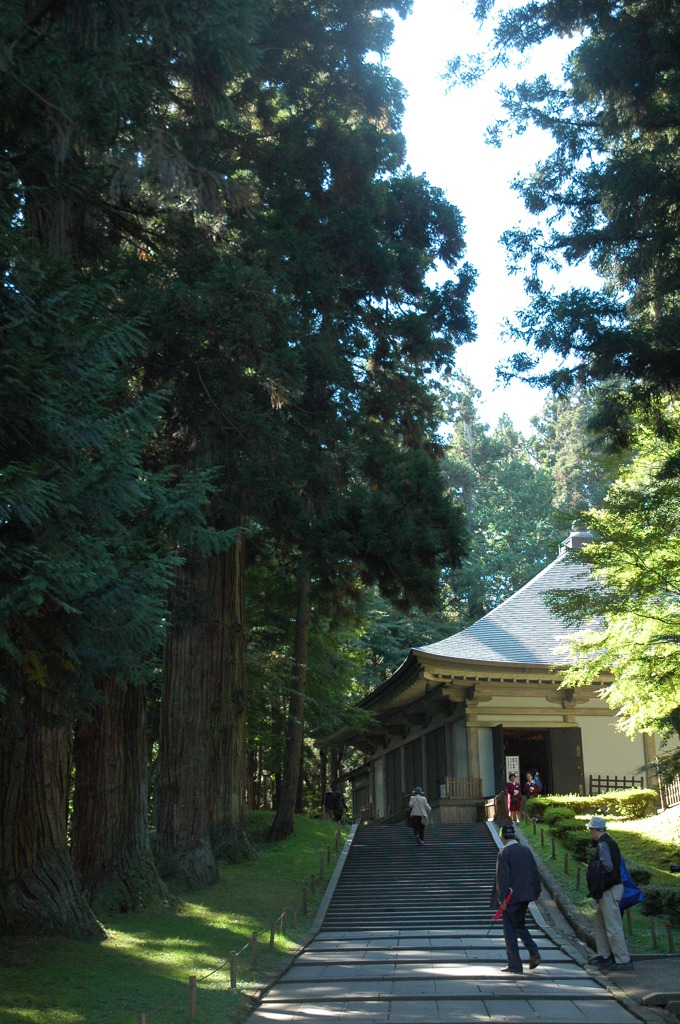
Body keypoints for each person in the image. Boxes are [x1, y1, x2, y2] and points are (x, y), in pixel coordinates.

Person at [585, 816, 633, 971]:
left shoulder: (604, 844)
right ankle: (605, 954)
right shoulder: (608, 842)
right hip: (610, 888)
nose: (590, 832)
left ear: (595, 830)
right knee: (599, 922)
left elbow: (607, 866)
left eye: (590, 829)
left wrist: (599, 881)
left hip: (610, 889)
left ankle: (622, 960)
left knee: (613, 926)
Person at [494, 823, 542, 974]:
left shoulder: (504, 853)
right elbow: (535, 871)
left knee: (510, 930)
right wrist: (537, 893)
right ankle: (533, 951)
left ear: (502, 837)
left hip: (510, 897)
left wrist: (501, 900)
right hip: (525, 895)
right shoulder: (525, 850)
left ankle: (515, 963)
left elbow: (502, 878)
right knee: (519, 925)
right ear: (514, 835)